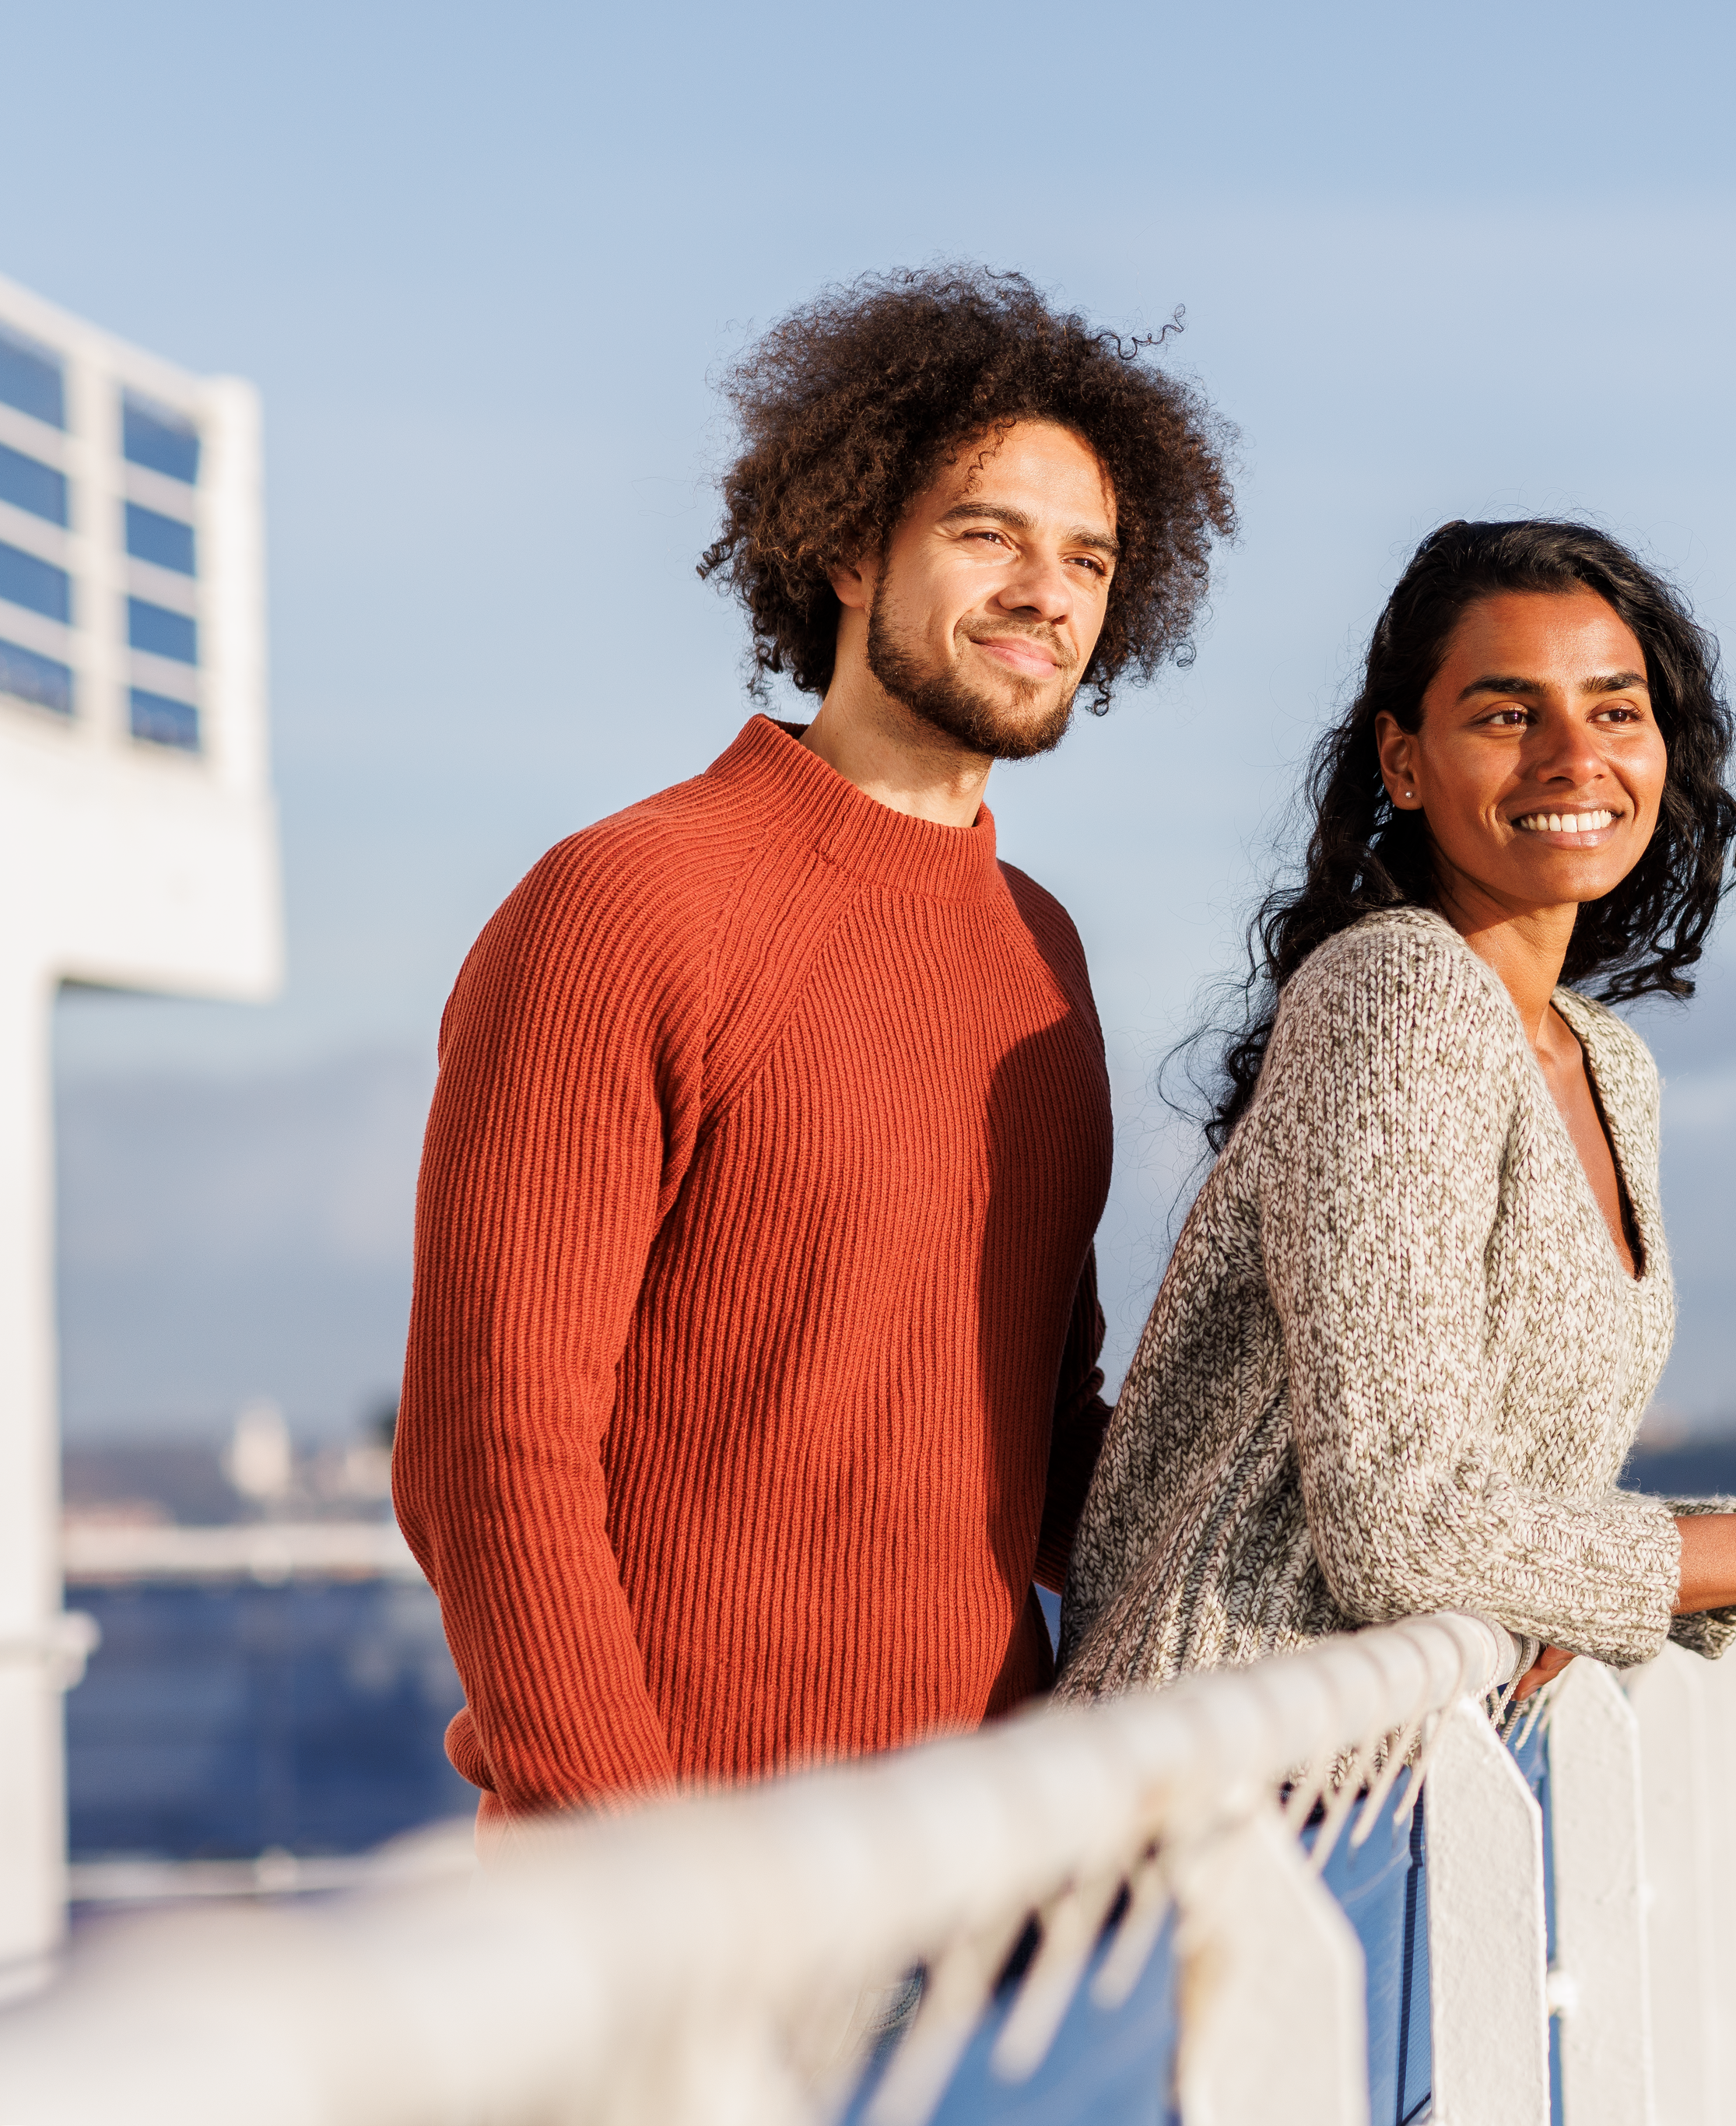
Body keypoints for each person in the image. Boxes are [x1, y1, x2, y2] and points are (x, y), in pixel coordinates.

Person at [391, 267, 1236, 1824]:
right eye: (988, 532)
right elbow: (489, 1448)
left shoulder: (1041, 957)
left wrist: (1427, 1547)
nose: (1046, 591)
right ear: (850, 544)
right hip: (699, 1912)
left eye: (1088, 558)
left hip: (990, 1877)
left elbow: (1044, 1458)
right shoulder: (627, 901)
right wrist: (643, 1873)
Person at [1059, 518, 1736, 1707]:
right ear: (1403, 763)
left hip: (1408, 1789)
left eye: (1614, 709)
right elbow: (1402, 1526)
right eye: (1507, 714)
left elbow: (1489, 1497)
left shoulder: (1606, 1061)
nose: (1572, 757)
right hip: (1229, 1788)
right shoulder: (1397, 991)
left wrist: (1633, 1582)